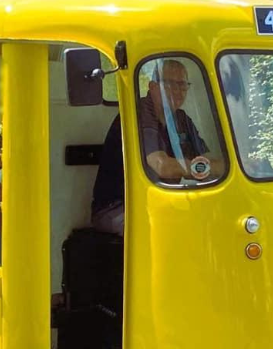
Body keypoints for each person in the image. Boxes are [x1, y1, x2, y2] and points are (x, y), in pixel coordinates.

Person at [91, 59, 217, 236]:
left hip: (163, 200)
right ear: (153, 86)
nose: (178, 91)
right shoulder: (140, 113)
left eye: (182, 85)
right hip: (119, 207)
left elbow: (209, 161)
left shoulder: (181, 119)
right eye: (170, 84)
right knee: (172, 228)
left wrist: (243, 167)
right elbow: (162, 166)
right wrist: (201, 168)